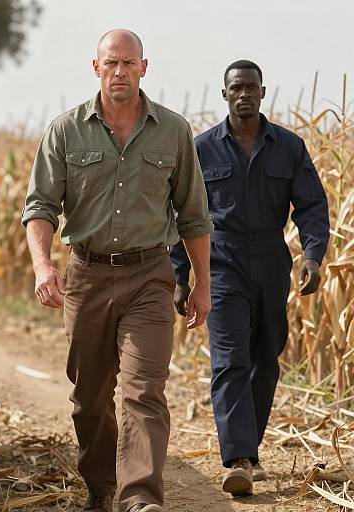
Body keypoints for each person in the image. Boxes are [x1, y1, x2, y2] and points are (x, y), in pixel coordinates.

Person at [22, 29, 213, 512]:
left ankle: (140, 498)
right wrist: (44, 265)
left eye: (130, 63)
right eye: (112, 63)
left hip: (149, 276)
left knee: (144, 390)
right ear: (96, 68)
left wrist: (203, 286)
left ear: (145, 68)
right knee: (90, 398)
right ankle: (101, 486)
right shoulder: (66, 131)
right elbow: (41, 206)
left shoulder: (173, 131)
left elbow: (193, 215)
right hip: (85, 277)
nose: (120, 71)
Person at [170, 60, 329, 497]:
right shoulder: (201, 149)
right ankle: (238, 457)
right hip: (219, 264)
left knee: (265, 357)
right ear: (224, 95)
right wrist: (181, 275)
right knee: (229, 358)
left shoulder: (289, 148)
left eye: (251, 87)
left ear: (263, 92)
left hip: (272, 263)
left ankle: (249, 446)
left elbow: (312, 206)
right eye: (235, 87)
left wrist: (312, 257)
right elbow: (179, 214)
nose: (244, 94)